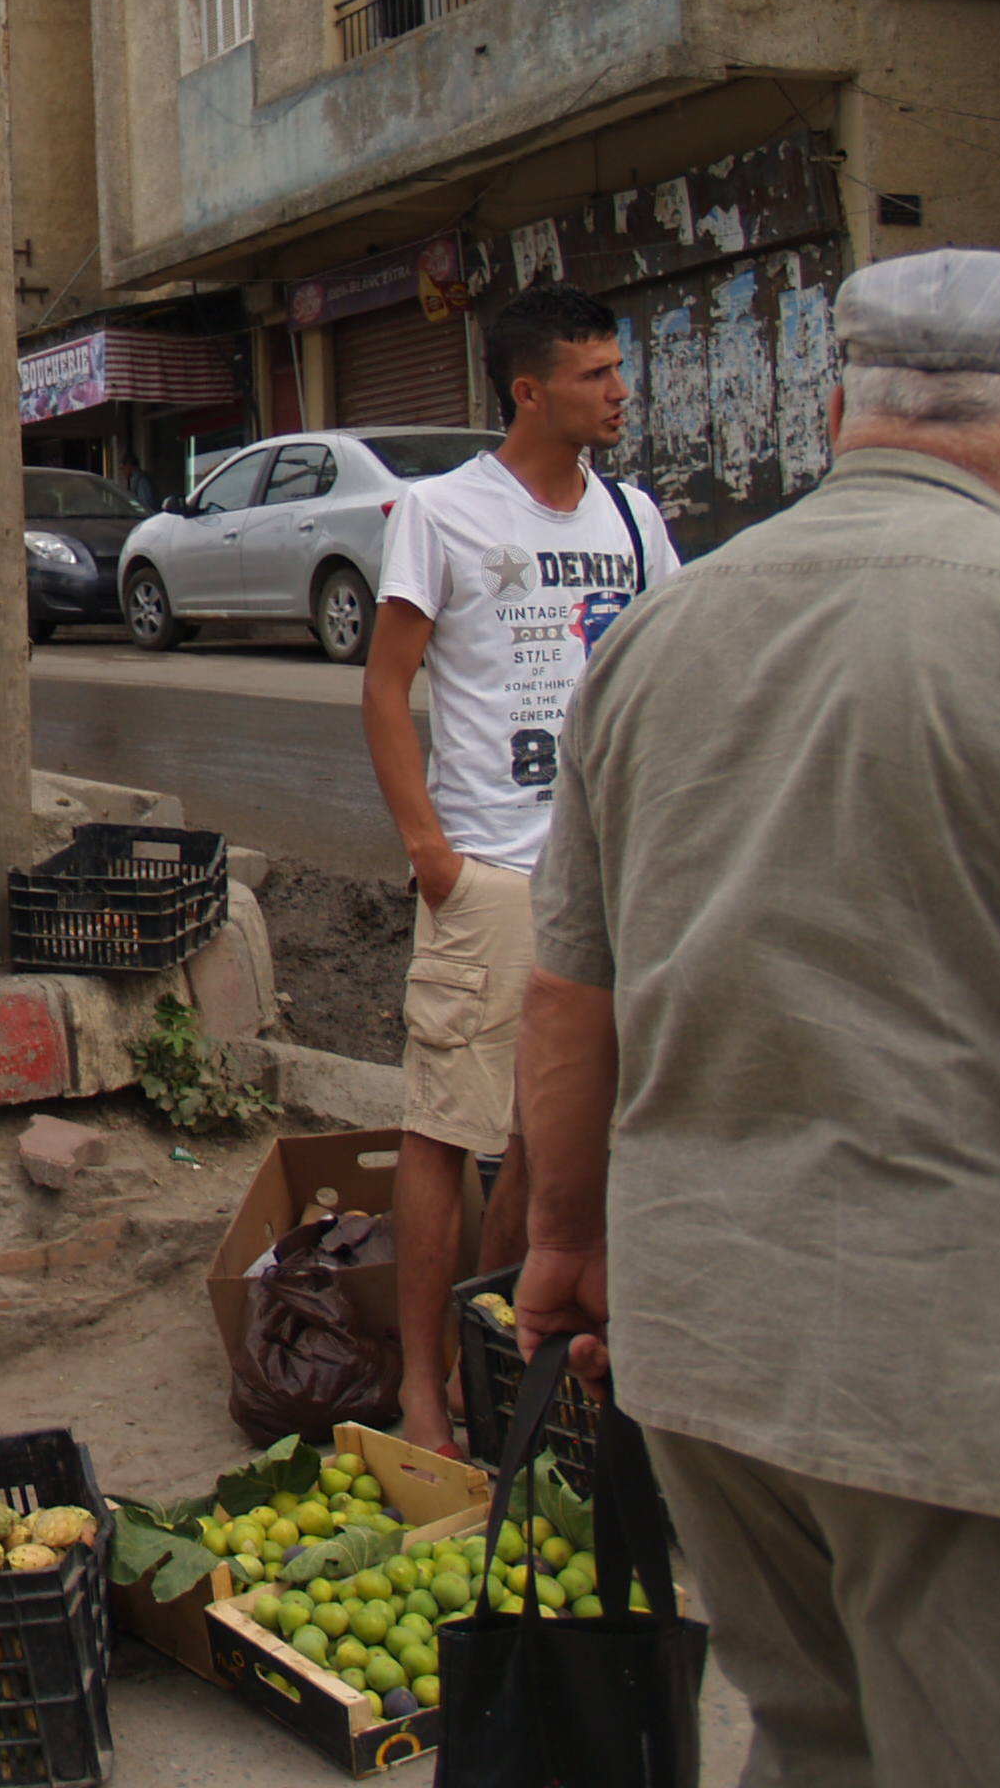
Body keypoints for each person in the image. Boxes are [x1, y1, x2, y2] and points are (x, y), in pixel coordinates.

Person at [518, 249, 1000, 1785]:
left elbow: (570, 993)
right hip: (946, 1359)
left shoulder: (659, 635)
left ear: (834, 400)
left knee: (805, 1734)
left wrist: (565, 1245)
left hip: (705, 1336)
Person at [360, 283, 678, 1452]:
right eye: (597, 374)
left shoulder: (636, 522)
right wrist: (433, 855)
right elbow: (386, 688)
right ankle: (423, 1388)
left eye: (618, 369)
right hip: (490, 872)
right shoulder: (444, 514)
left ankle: (505, 1362)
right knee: (451, 1127)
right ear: (529, 388)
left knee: (557, 1142)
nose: (619, 392)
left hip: (609, 879)